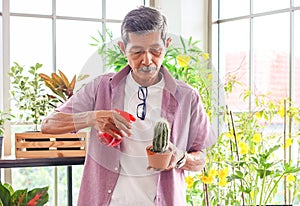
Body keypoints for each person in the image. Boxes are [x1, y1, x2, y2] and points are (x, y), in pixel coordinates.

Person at [41, 6, 216, 206]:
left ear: (166, 45)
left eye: (155, 50)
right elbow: (48, 124)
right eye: (137, 52)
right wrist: (93, 118)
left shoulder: (188, 97)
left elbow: (201, 159)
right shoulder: (101, 88)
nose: (147, 60)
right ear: (123, 49)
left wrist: (180, 158)